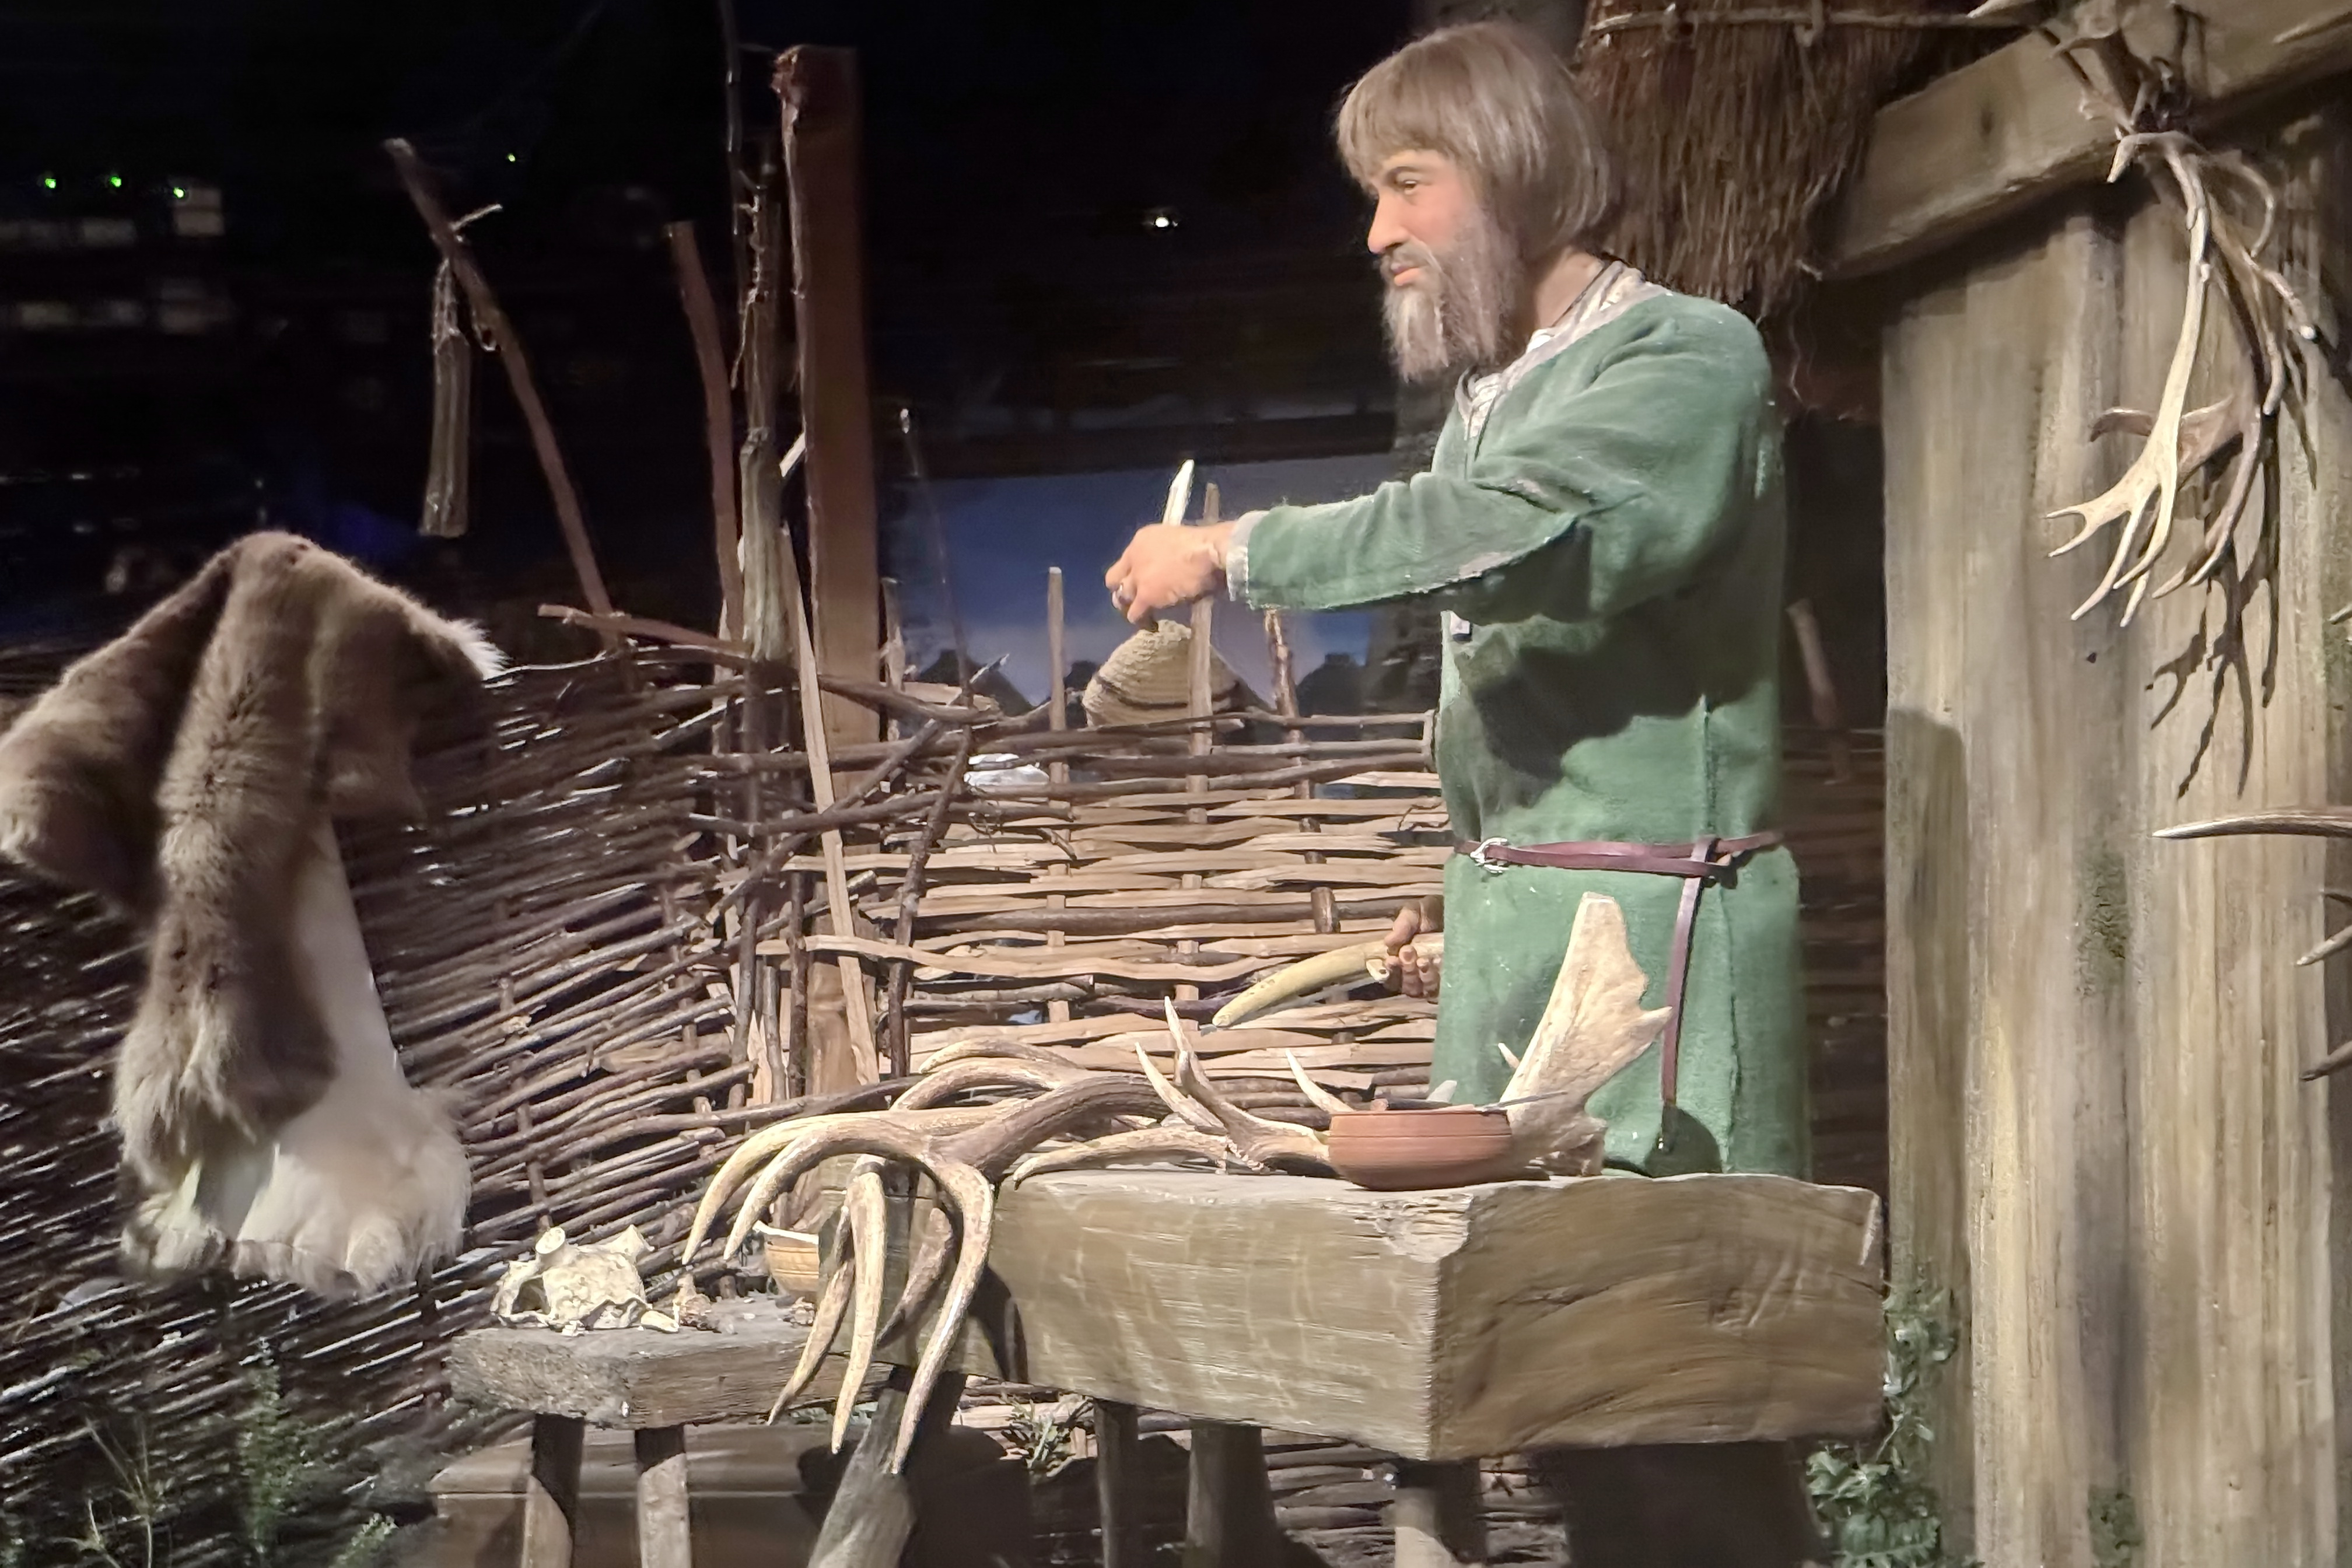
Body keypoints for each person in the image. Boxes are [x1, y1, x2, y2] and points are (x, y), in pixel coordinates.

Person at [1104, 23, 1819, 1562]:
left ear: (1511, 171)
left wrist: (1234, 550)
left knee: (1677, 1388)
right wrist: (1478, 902)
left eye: (1408, 183)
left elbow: (1509, 531)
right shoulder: (1499, 397)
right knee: (1552, 1404)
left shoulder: (1681, 360)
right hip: (1526, 948)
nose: (1379, 232)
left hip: (1659, 947)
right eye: (1374, 194)